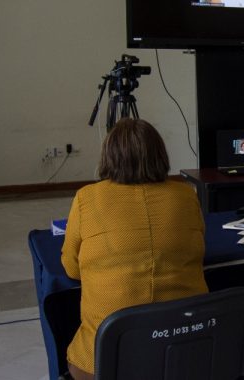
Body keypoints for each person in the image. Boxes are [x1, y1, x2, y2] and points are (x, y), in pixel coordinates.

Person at [61, 118, 208, 380]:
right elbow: (199, 250)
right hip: (185, 350)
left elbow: (72, 269)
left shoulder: (86, 198)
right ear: (160, 154)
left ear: (108, 156)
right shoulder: (186, 195)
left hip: (103, 360)